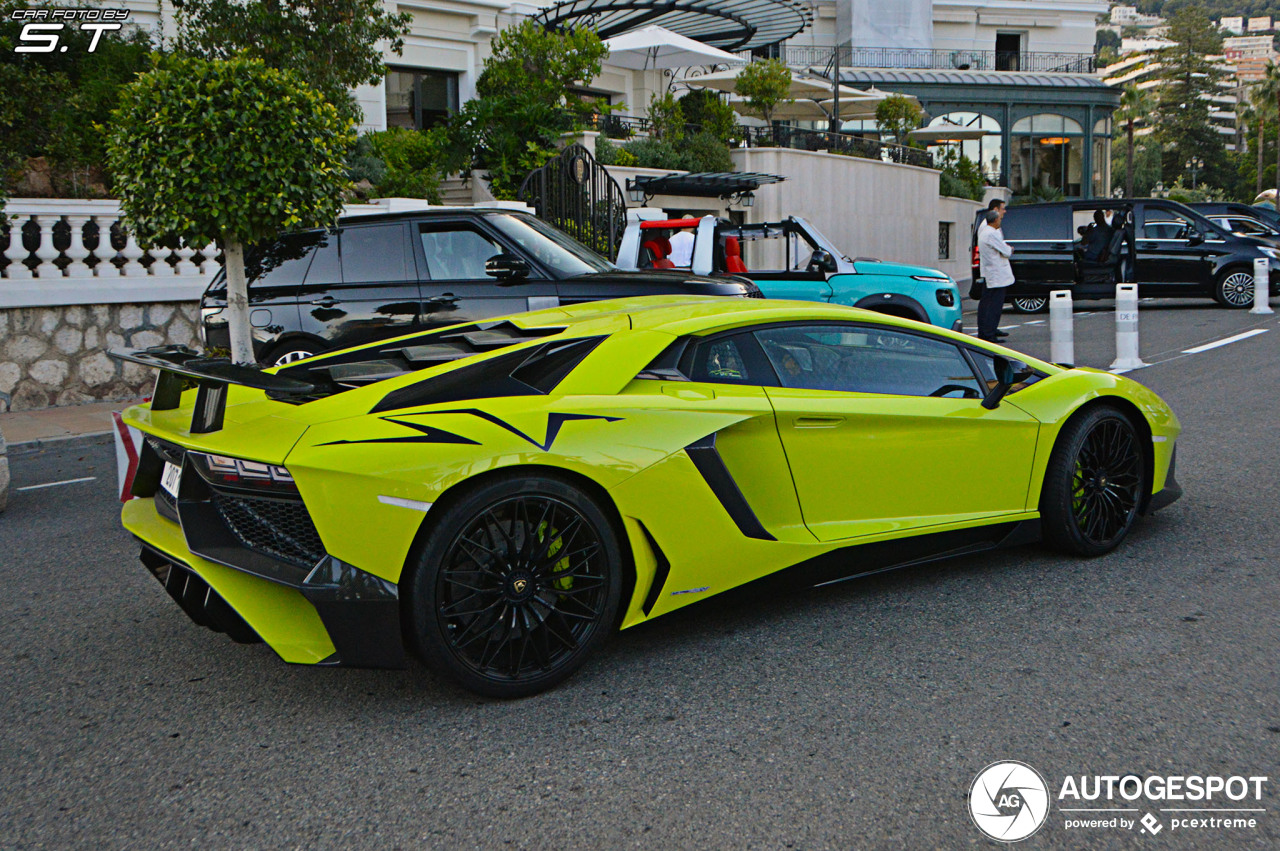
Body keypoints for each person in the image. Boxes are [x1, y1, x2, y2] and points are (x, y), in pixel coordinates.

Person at [977, 208, 1014, 342]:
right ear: (994, 220)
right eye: (999, 219)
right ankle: (988, 334)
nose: (1000, 221)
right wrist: (1010, 249)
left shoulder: (985, 232)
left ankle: (987, 331)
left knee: (988, 304)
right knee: (994, 306)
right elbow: (1006, 251)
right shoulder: (991, 234)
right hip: (997, 274)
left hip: (991, 273)